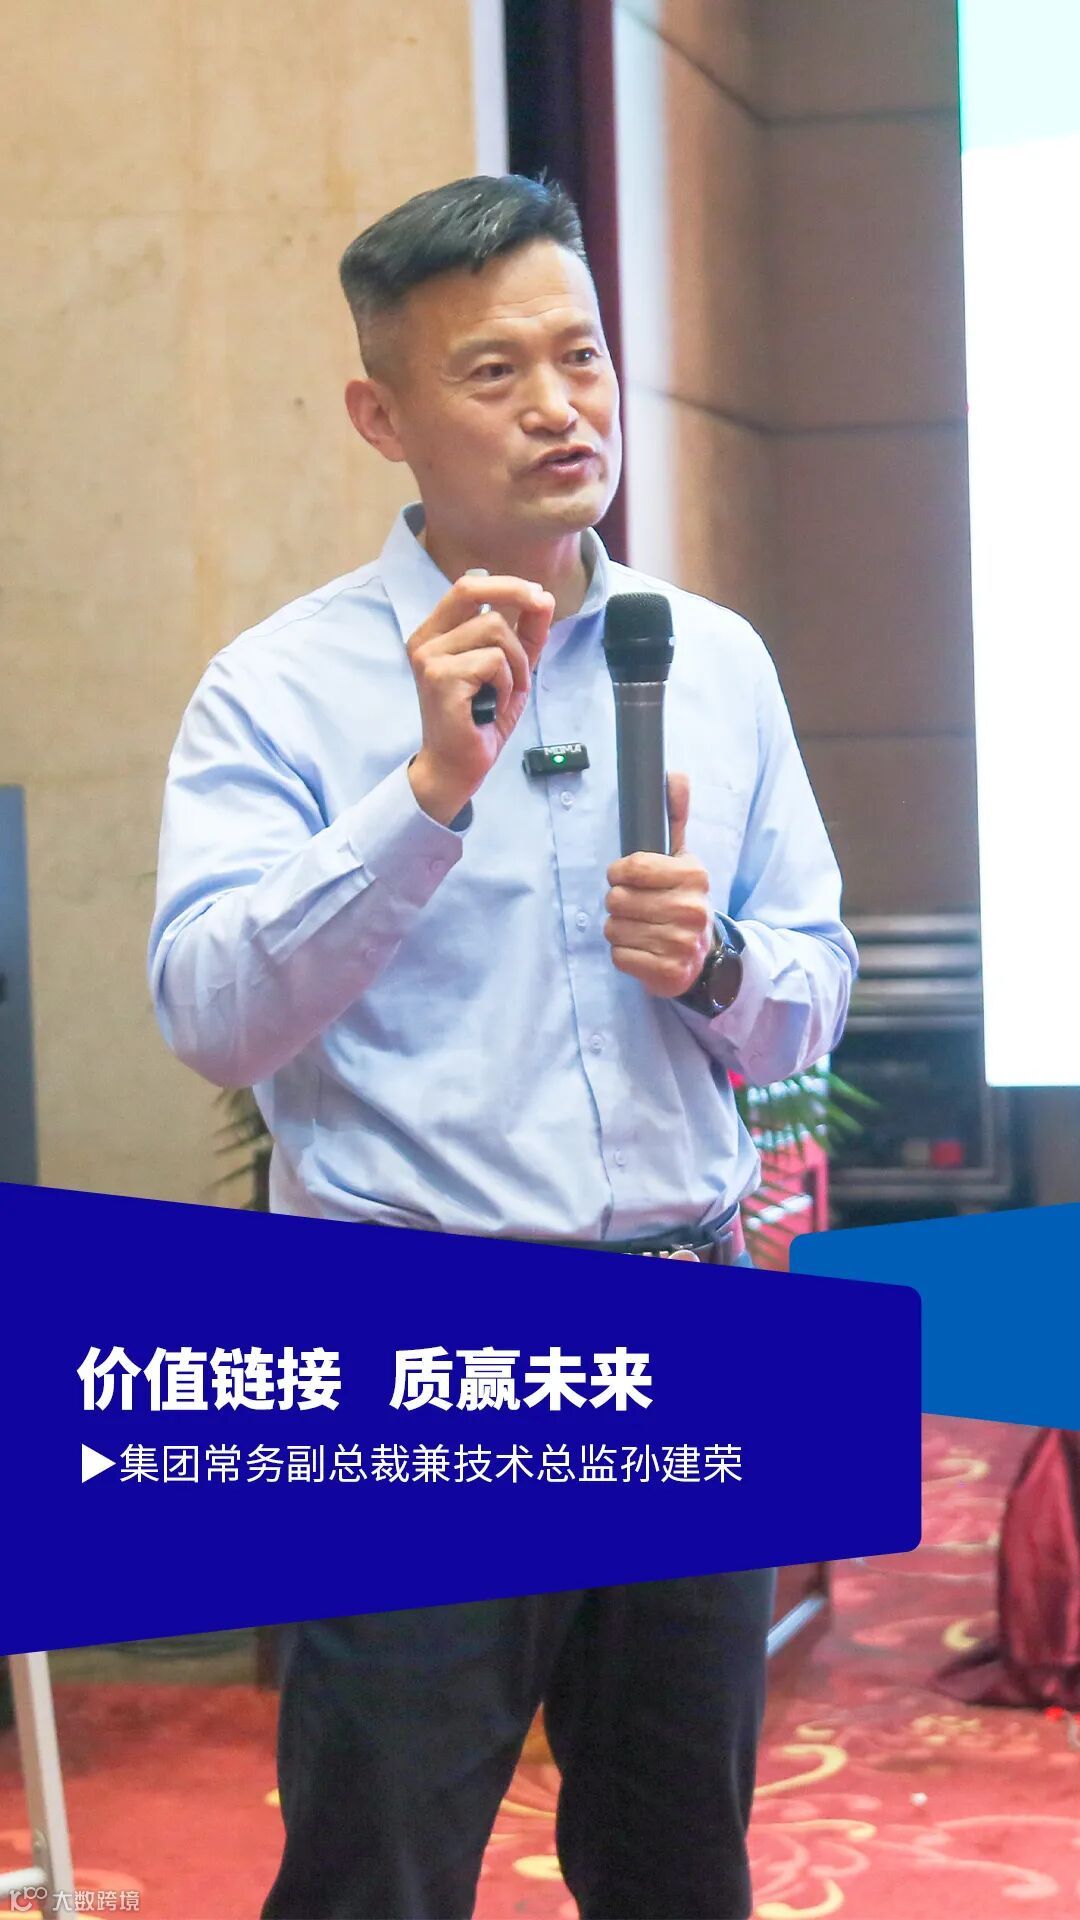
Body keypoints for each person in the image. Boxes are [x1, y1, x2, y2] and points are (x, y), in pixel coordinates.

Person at [149, 174, 856, 1920]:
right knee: (379, 1868)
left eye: (581, 356)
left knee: (679, 1866)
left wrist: (715, 965)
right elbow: (210, 1015)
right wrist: (422, 799)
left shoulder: (715, 663)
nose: (560, 406)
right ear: (380, 415)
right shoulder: (281, 688)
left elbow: (815, 989)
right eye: (494, 372)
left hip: (682, 1329)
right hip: (424, 1361)